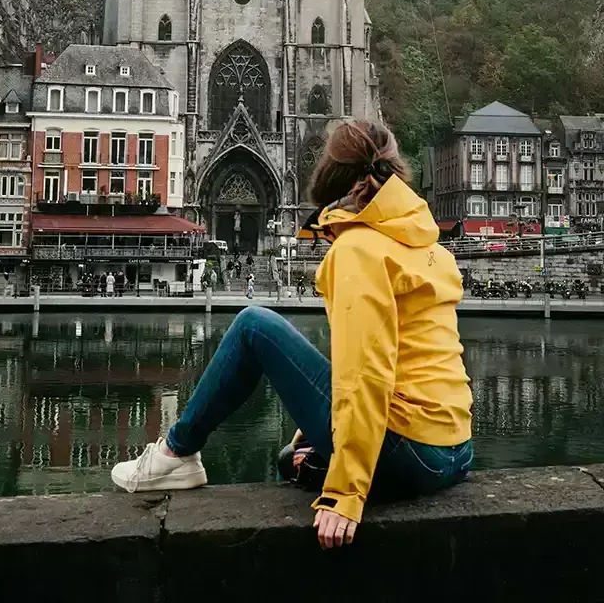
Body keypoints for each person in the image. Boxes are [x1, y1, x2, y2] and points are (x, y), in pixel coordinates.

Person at [111, 120, 472, 550]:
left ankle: (174, 454)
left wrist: (346, 494)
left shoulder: (359, 249)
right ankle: (319, 459)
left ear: (331, 178)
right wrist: (314, 427)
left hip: (409, 452)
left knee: (253, 325)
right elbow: (396, 360)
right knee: (290, 459)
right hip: (454, 451)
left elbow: (365, 374)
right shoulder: (426, 243)